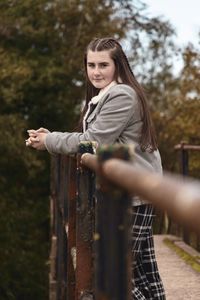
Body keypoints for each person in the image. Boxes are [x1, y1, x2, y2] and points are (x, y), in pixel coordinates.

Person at [26, 37, 166, 299]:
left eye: (103, 64)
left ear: (118, 65)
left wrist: (49, 141)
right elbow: (94, 139)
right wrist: (52, 135)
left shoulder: (122, 95)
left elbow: (91, 143)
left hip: (130, 195)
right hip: (130, 191)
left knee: (115, 277)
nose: (96, 71)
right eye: (91, 65)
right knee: (142, 274)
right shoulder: (107, 95)